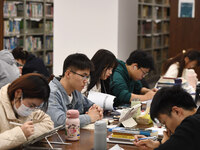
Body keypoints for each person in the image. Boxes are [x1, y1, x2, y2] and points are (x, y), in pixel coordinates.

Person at [134, 86, 200, 150]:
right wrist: (160, 145)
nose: (167, 129)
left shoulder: (191, 125)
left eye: (164, 123)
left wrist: (164, 145)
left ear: (176, 111)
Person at [47, 53, 103, 127]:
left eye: (87, 77)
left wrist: (97, 109)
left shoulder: (75, 90)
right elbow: (59, 121)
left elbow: (89, 105)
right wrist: (89, 117)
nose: (86, 81)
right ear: (68, 74)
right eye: (83, 76)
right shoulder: (51, 93)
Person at [0, 73, 54, 149]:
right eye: (31, 105)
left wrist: (29, 133)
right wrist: (21, 134)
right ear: (18, 93)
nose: (32, 110)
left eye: (36, 106)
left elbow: (48, 123)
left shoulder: (30, 108)